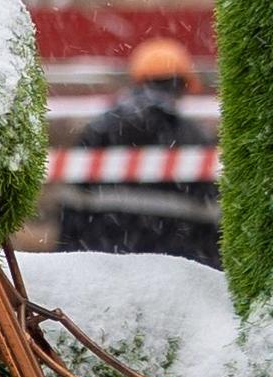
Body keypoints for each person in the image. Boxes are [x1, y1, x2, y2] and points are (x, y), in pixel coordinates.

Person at [60, 34, 219, 260]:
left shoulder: (100, 130)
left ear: (137, 80)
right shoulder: (194, 137)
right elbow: (210, 214)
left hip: (102, 260)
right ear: (182, 86)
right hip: (171, 266)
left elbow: (72, 205)